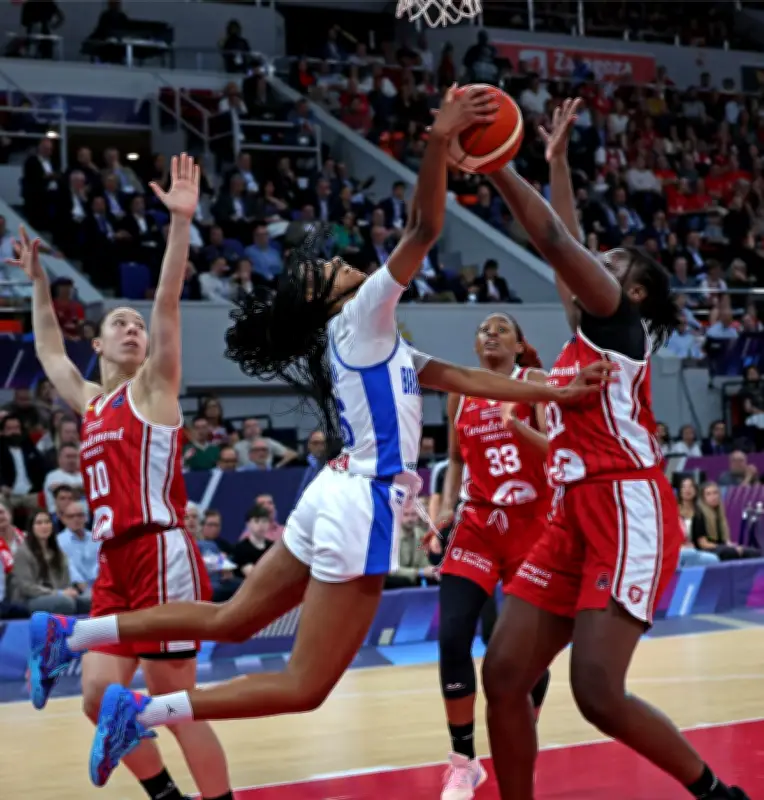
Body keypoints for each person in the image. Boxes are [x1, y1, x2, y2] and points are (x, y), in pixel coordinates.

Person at [26, 88, 611, 789]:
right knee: (306, 686)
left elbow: (462, 377)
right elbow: (424, 228)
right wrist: (437, 142)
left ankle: (73, 635)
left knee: (232, 618)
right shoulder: (363, 316)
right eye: (334, 266)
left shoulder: (380, 341)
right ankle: (143, 712)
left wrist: (551, 392)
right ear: (333, 291)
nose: (348, 263)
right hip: (360, 499)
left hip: (331, 491)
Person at [479, 98, 749, 799]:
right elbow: (566, 240)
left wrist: (496, 163)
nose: (590, 262)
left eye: (608, 261)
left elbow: (556, 241)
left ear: (630, 289)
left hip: (625, 505)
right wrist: (557, 164)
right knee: (503, 674)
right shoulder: (584, 331)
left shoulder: (619, 324)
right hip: (571, 510)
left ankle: (716, 793)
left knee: (597, 692)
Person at [14, 154, 232, 800]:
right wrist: (38, 283)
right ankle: (167, 796)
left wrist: (180, 224)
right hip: (114, 563)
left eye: (137, 326)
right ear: (99, 344)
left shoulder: (155, 388)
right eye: (120, 324)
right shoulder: (91, 402)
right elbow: (48, 349)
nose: (134, 329)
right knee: (95, 695)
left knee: (175, 699)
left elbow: (166, 301)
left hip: (160, 552)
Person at [436, 313, 552, 799]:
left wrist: (518, 428)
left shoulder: (536, 382)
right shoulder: (459, 391)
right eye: (483, 329)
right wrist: (445, 508)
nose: (490, 333)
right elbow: (455, 459)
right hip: (479, 525)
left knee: (523, 652)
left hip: (533, 525)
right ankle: (464, 762)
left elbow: (558, 452)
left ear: (520, 345)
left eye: (502, 328)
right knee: (452, 637)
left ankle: (521, 735)